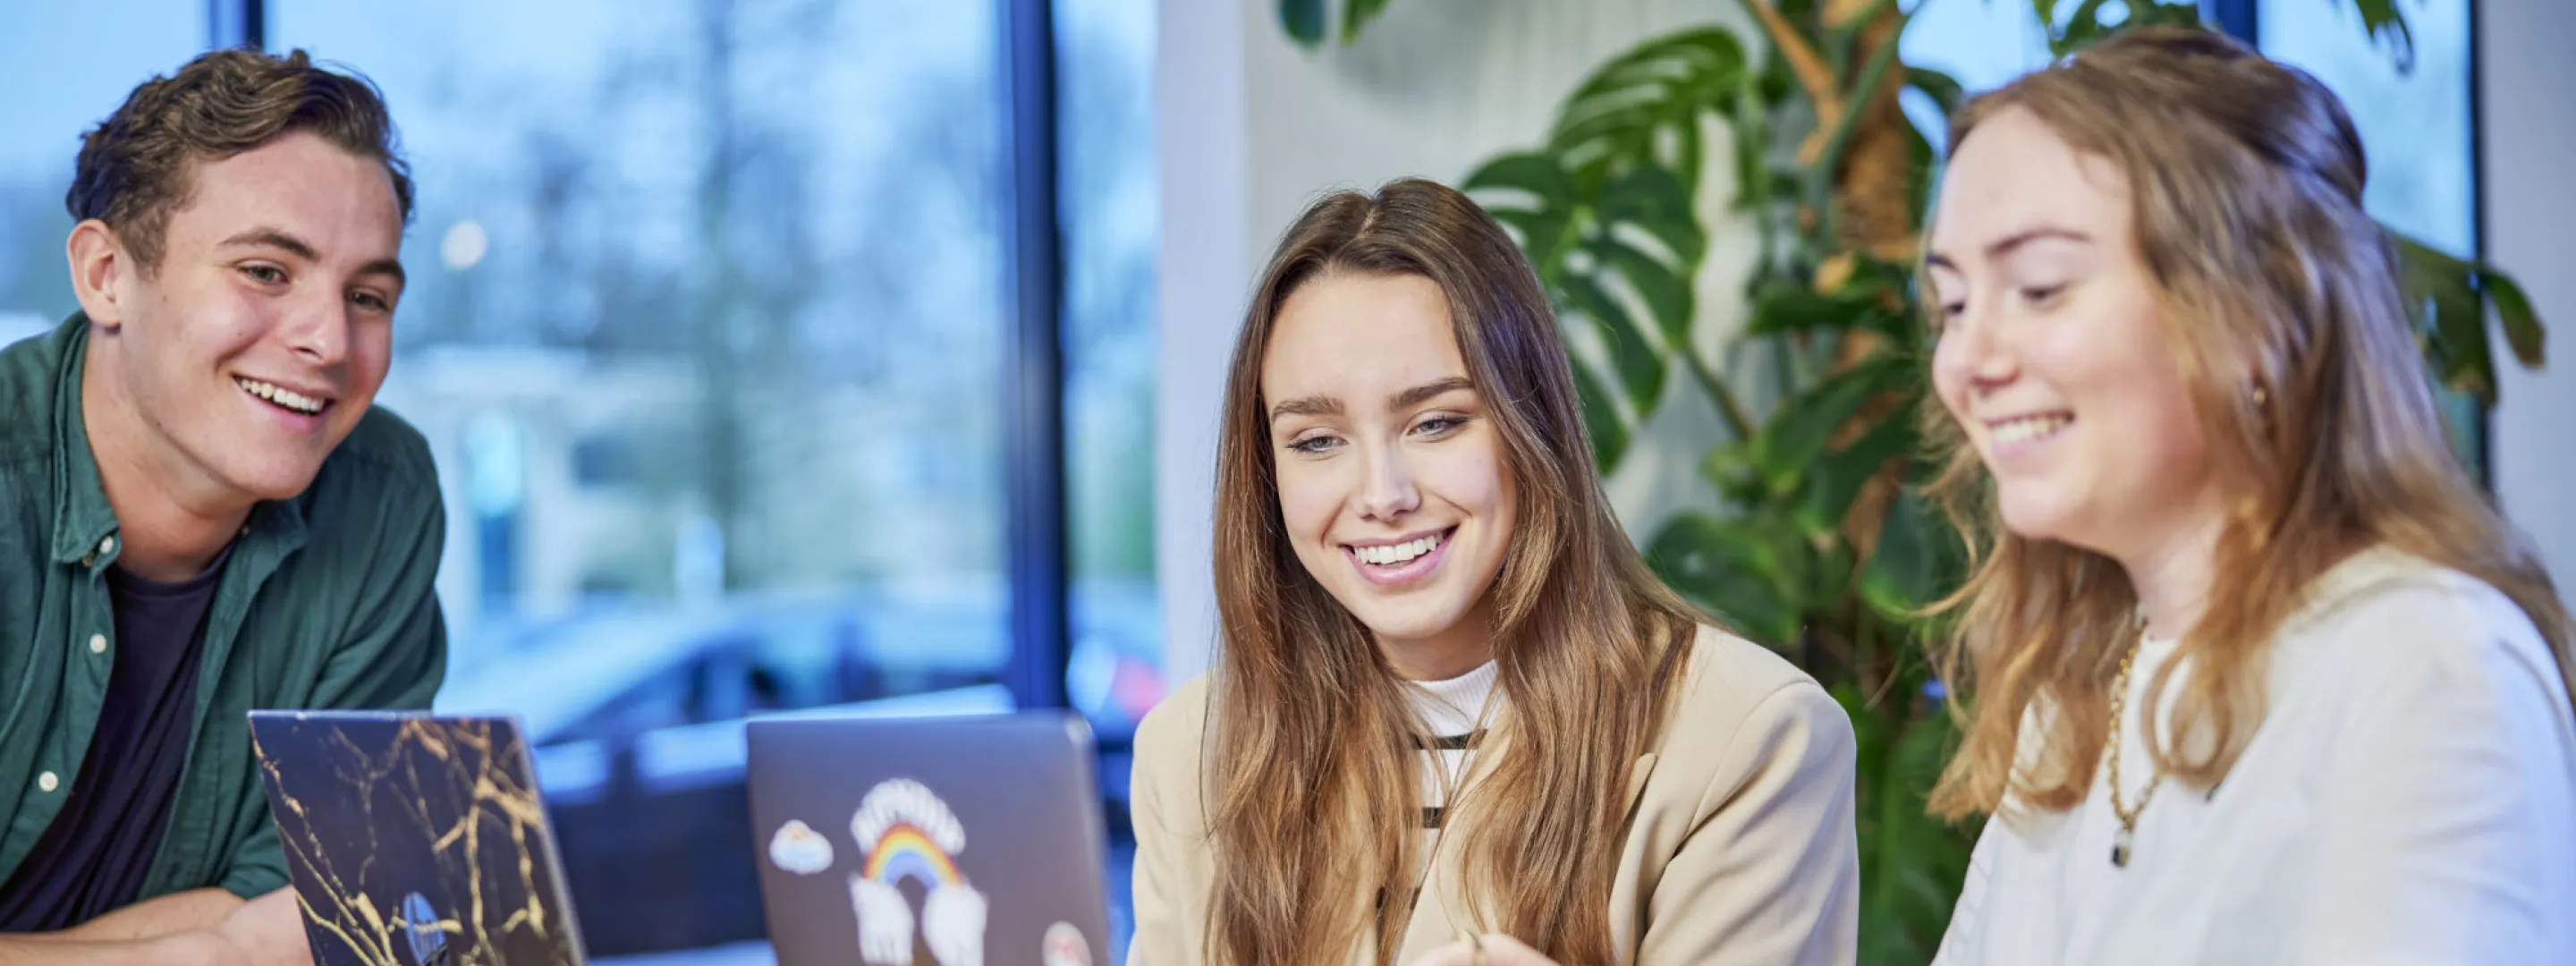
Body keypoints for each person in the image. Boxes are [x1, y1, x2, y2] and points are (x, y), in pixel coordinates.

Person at [1918, 26, 2576, 965]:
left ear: (2254, 313)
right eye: (1952, 305)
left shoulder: (2427, 666)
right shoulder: (2069, 701)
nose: (1968, 362)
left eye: (2039, 287)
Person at [1126, 177, 1859, 966]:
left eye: (1436, 422)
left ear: (1528, 424)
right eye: (1316, 441)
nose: (1382, 496)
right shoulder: (1192, 752)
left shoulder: (1748, 739)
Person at [0, 48, 445, 965]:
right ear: (106, 276)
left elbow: (324, 904)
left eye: (368, 295)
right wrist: (219, 951)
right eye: (266, 272)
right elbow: (270, 939)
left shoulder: (383, 497)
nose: (328, 340)